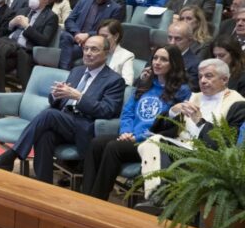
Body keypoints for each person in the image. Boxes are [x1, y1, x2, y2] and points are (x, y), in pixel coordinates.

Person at [0, 35, 126, 183]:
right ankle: (44, 184)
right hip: (63, 120)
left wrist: (79, 97)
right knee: (45, 135)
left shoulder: (114, 80)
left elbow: (108, 110)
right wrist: (55, 95)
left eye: (94, 49)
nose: (88, 53)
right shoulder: (77, 70)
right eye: (86, 48)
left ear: (106, 53)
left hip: (84, 126)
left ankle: (11, 156)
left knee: (49, 115)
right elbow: (56, 102)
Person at [82, 45, 191, 200]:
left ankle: (98, 199)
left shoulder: (182, 91)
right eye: (155, 58)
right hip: (130, 136)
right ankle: (85, 196)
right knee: (97, 143)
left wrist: (137, 137)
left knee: (113, 147)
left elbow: (170, 127)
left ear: (174, 63)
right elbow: (128, 112)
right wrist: (125, 132)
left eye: (164, 59)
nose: (157, 62)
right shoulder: (145, 83)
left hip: (151, 142)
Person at [136, 59, 245, 209]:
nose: (203, 81)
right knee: (153, 141)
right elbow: (160, 128)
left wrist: (200, 122)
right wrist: (173, 112)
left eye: (209, 76)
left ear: (225, 79)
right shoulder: (194, 96)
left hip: (206, 156)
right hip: (178, 147)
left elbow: (227, 143)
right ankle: (159, 198)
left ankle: (158, 197)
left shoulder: (237, 104)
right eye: (200, 77)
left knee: (154, 144)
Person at [58, 0, 124, 69]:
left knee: (69, 50)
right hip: (75, 37)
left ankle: (63, 70)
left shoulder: (116, 8)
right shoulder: (84, 1)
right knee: (64, 35)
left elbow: (109, 31)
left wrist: (88, 35)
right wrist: (77, 33)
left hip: (94, 42)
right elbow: (69, 20)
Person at [98, 19, 135, 85]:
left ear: (116, 36)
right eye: (99, 36)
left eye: (105, 36)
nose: (101, 39)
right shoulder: (94, 51)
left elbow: (127, 82)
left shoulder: (126, 56)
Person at [167, 21, 200, 91]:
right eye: (170, 38)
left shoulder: (195, 64)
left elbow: (191, 89)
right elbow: (140, 81)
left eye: (178, 39)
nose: (172, 42)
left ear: (190, 41)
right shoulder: (158, 56)